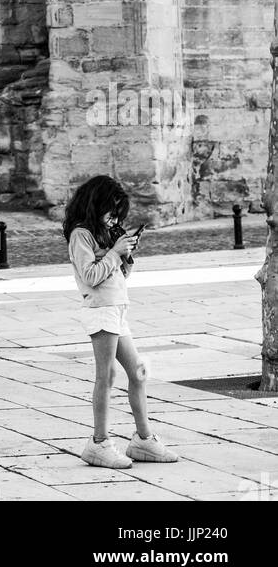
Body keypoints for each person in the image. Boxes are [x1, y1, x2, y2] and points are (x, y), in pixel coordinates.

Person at [63, 174, 179, 470]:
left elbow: (117, 276)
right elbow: (90, 276)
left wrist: (125, 257)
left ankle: (143, 439)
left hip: (117, 309)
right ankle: (99, 443)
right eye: (110, 211)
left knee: (138, 372)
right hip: (101, 311)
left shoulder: (104, 234)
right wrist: (114, 253)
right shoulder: (81, 235)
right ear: (95, 204)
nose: (113, 218)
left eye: (117, 214)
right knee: (107, 376)